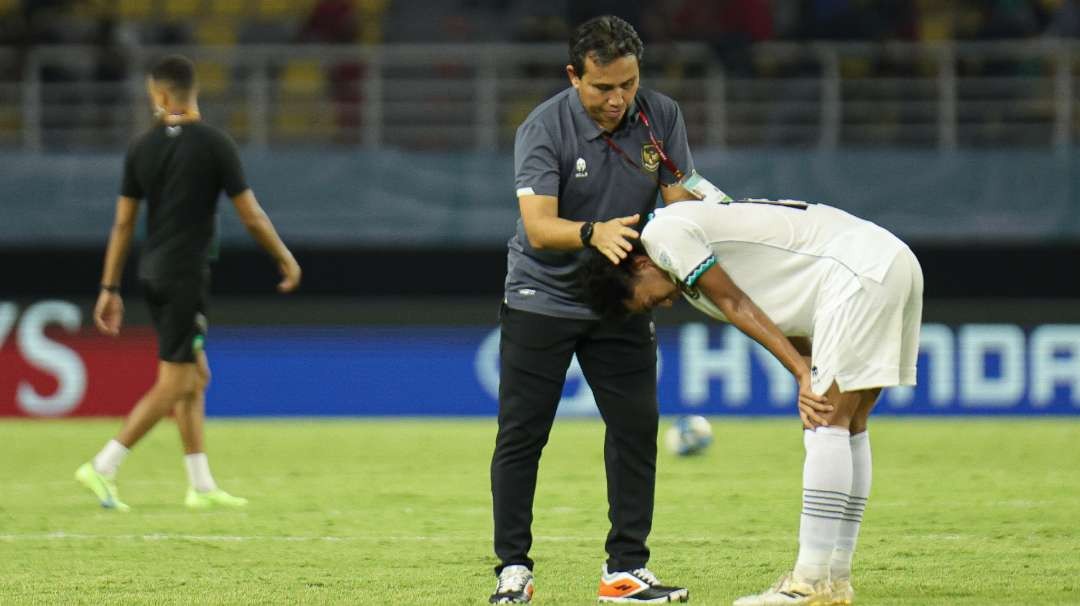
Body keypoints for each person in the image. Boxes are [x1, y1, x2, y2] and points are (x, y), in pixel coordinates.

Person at [582, 197, 924, 606]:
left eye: (649, 300)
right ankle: (834, 579)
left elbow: (737, 304)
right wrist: (806, 364)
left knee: (824, 422)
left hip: (858, 272)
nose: (664, 303)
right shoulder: (689, 267)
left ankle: (809, 582)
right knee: (849, 422)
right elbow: (770, 312)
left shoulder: (662, 234)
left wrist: (802, 373)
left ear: (639, 265)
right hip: (887, 260)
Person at [489, 15, 694, 605]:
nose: (618, 99)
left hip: (620, 300)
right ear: (573, 76)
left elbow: (679, 200)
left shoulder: (662, 116)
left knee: (635, 429)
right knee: (523, 435)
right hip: (541, 297)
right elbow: (537, 227)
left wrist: (681, 242)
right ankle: (513, 570)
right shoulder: (543, 127)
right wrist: (592, 233)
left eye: (627, 83)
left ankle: (625, 570)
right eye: (603, 87)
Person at [75, 55, 301, 511]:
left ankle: (200, 485)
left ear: (158, 95)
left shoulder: (142, 147)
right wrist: (285, 258)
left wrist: (109, 288)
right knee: (176, 382)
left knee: (196, 377)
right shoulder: (215, 144)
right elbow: (251, 215)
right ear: (192, 92)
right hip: (185, 274)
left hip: (153, 272)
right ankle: (103, 465)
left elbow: (122, 225)